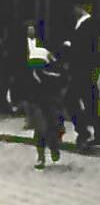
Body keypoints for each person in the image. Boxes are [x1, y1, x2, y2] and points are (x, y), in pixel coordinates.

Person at [16, 22, 65, 169]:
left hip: (49, 99)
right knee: (40, 128)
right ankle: (41, 157)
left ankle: (54, 148)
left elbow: (58, 72)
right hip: (35, 100)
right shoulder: (29, 75)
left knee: (51, 126)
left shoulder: (48, 69)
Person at [64, 0, 100, 149]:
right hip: (81, 69)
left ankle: (85, 131)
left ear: (80, 7)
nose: (73, 10)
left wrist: (98, 64)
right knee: (92, 101)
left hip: (85, 69)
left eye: (75, 7)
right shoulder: (80, 24)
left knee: (72, 100)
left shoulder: (91, 24)